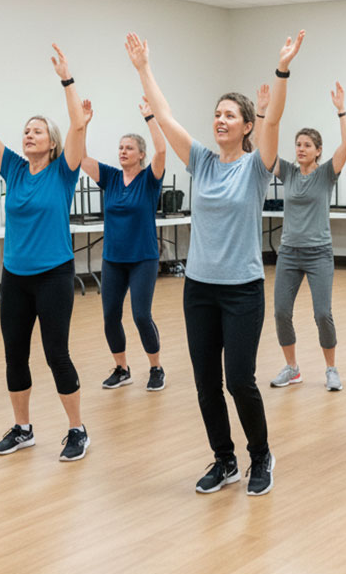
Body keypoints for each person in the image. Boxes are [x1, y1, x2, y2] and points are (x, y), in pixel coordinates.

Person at [125, 28, 304, 496]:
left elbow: (276, 118)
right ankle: (224, 459)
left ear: (247, 126)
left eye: (230, 115)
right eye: (217, 114)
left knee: (238, 380)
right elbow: (164, 116)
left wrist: (282, 69)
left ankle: (260, 456)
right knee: (206, 384)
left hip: (242, 290)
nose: (220, 120)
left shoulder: (255, 167)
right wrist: (144, 67)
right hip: (199, 289)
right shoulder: (201, 161)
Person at [0, 44, 90, 460]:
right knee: (14, 354)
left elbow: (77, 125)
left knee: (57, 353)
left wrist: (66, 79)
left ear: (52, 143)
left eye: (37, 130)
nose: (28, 134)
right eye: (26, 130)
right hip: (15, 277)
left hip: (54, 275)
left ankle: (77, 430)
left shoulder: (63, 170)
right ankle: (23, 429)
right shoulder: (15, 168)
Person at [261, 83, 346, 391]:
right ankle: (292, 368)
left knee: (322, 313)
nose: (300, 148)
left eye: (306, 145)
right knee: (281, 312)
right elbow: (264, 152)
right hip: (288, 253)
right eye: (297, 144)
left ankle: (331, 369)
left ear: (318, 151)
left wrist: (341, 110)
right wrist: (262, 115)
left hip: (318, 254)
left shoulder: (326, 174)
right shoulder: (287, 171)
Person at [81, 99, 166, 393]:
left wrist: (150, 117)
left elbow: (163, 150)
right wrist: (84, 123)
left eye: (128, 148)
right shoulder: (112, 177)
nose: (122, 152)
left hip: (143, 258)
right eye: (120, 148)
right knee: (110, 316)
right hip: (113, 259)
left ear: (141, 154)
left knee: (141, 315)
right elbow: (80, 157)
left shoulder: (150, 179)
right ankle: (122, 368)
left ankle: (156, 367)